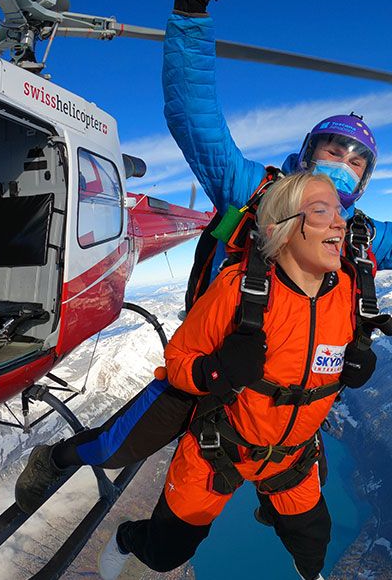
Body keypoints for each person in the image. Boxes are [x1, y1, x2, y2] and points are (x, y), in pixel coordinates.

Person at [15, 0, 392, 515]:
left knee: (288, 459)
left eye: (358, 161)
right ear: (308, 154)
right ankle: (57, 460)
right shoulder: (252, 189)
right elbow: (193, 117)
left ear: (365, 180)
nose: (345, 164)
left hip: (286, 372)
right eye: (335, 149)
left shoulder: (358, 235)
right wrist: (190, 12)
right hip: (215, 355)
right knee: (118, 444)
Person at [98, 172, 375, 580]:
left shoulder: (351, 290)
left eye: (339, 211)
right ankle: (126, 537)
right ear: (281, 230)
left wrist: (362, 353)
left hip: (292, 458)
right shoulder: (236, 290)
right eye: (322, 211)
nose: (340, 221)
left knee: (314, 545)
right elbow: (178, 363)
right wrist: (216, 371)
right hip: (218, 451)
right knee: (163, 555)